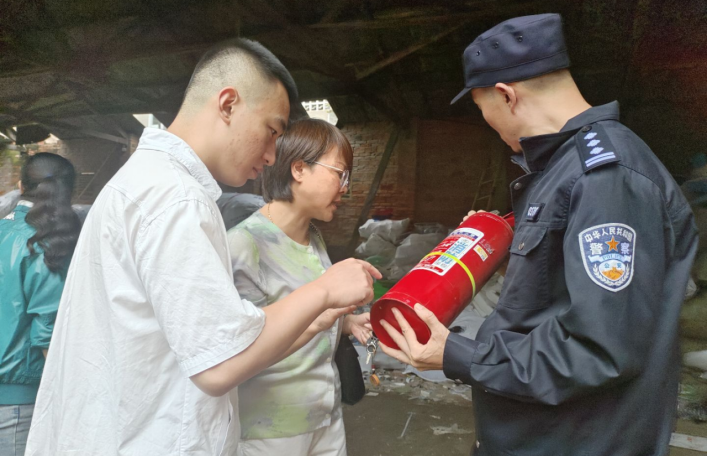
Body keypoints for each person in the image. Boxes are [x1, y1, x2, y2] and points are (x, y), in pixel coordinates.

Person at [25, 39, 379, 456]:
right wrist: (325, 289)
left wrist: (322, 321)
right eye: (271, 132)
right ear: (228, 105)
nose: (271, 156)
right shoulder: (177, 199)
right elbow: (219, 364)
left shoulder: (150, 182)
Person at [379, 13, 699, 456]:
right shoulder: (563, 170)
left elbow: (598, 350)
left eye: (482, 108)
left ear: (506, 95)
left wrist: (457, 354)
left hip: (575, 441)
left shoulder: (605, 178)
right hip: (538, 432)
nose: (487, 122)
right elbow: (562, 293)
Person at [228, 119, 370, 456]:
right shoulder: (244, 245)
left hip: (326, 416)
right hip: (270, 429)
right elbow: (237, 351)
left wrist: (346, 323)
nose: (345, 188)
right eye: (340, 174)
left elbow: (306, 310)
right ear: (299, 169)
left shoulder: (313, 237)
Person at [0, 153, 81, 456]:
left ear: (21, 186)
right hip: (17, 401)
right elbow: (47, 335)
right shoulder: (46, 245)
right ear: (68, 191)